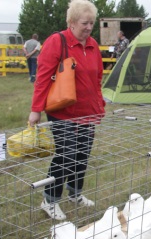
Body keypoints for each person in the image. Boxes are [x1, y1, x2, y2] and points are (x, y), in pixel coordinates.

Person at [28, 0, 106, 220]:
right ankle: (50, 200)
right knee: (67, 155)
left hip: (87, 112)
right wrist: (36, 110)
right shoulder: (57, 41)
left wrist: (99, 104)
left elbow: (97, 77)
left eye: (92, 23)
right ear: (72, 22)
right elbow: (42, 78)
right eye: (84, 23)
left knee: (82, 155)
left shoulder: (92, 45)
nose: (89, 27)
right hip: (62, 111)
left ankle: (75, 194)